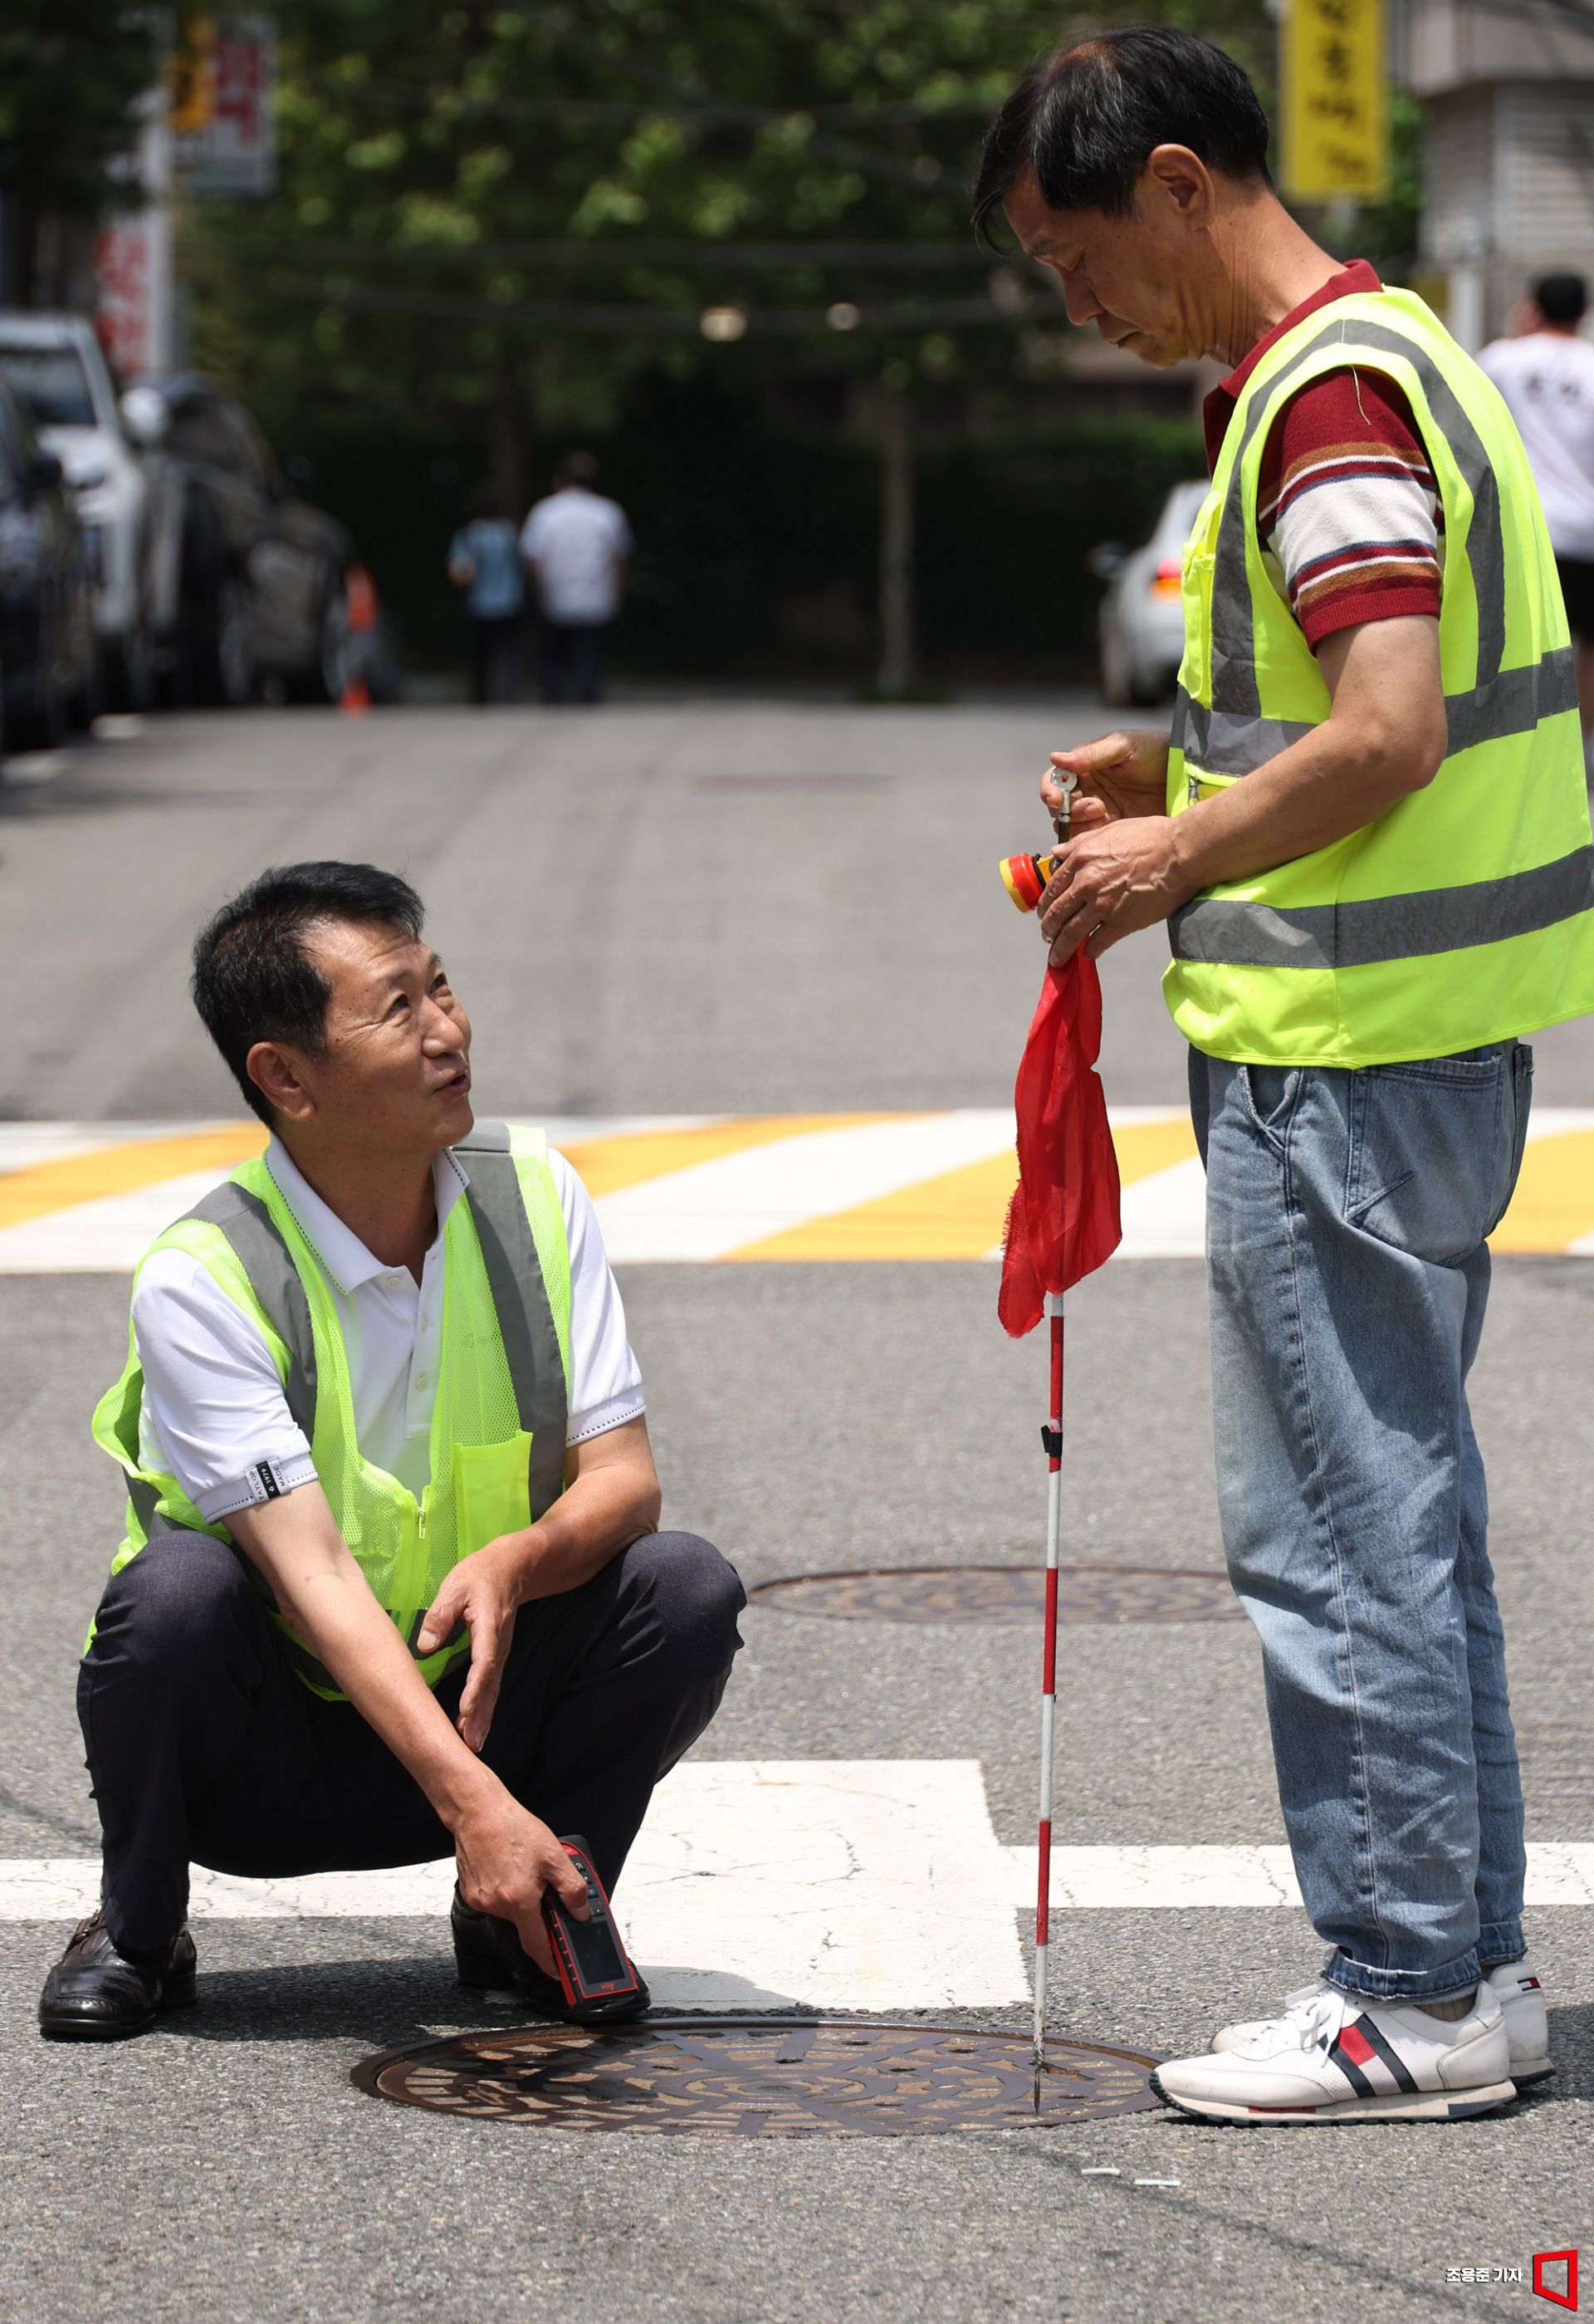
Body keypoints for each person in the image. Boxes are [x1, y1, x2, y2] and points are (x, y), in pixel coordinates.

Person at [975, 26, 1594, 2124]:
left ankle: (1407, 1985)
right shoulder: (1400, 347)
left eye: (1076, 264)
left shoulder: (1321, 394)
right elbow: (1348, 713)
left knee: (1342, 1524)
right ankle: (1471, 1967)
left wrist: (1166, 850)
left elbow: (1391, 722)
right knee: (1401, 1504)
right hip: (1415, 1030)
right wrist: (1178, 766)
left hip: (1339, 1043)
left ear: (1171, 182)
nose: (1083, 309)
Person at [42, 862, 744, 2040]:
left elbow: (625, 1479)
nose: (448, 1030)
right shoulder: (203, 1275)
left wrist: (522, 1558)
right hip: (270, 1756)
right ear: (285, 1076)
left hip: (475, 1696)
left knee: (683, 1587)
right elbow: (309, 1571)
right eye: (398, 1007)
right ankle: (139, 1924)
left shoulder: (534, 1195)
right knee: (173, 1594)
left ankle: (529, 1911)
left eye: (444, 987)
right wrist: (471, 1801)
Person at [1480, 276, 1594, 759]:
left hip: (1523, 527)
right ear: (1582, 311)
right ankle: (1581, 751)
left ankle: (1521, 746)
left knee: (1520, 641)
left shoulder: (1501, 359)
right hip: (1586, 529)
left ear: (1531, 307)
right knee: (1586, 646)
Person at [520, 453, 632, 706]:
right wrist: (618, 593)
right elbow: (618, 559)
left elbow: (533, 558)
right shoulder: (608, 512)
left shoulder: (544, 512)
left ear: (561, 479)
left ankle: (555, 702)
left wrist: (536, 592)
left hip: (554, 597)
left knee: (554, 658)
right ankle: (587, 702)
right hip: (597, 597)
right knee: (590, 657)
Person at [447, 487, 526, 705]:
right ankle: (508, 696)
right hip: (510, 601)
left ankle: (481, 699)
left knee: (480, 657)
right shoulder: (510, 533)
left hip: (479, 603)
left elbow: (459, 570)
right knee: (508, 654)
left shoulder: (469, 534)